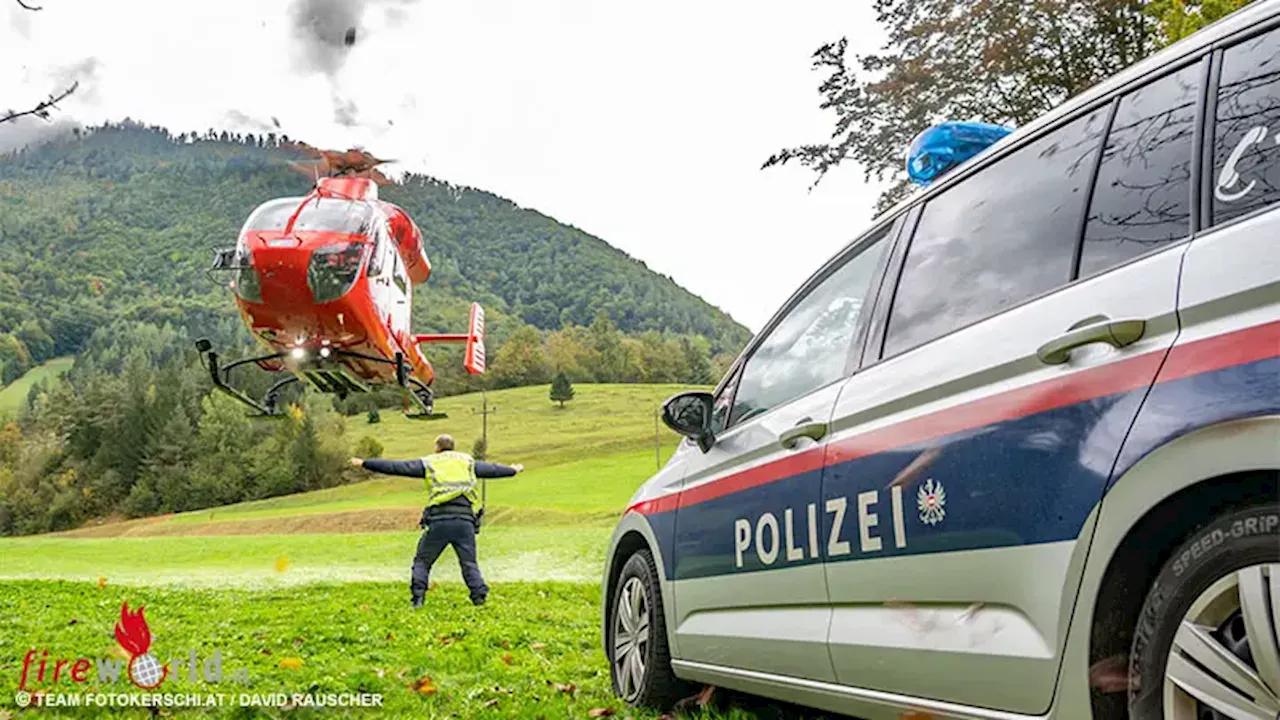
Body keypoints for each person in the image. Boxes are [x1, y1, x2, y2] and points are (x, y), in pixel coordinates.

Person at [350, 434, 523, 608]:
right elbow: (492, 470)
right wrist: (513, 470)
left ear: (437, 447)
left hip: (439, 521)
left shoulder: (430, 462)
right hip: (464, 522)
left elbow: (397, 467)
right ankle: (479, 598)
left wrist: (366, 463)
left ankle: (418, 599)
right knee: (469, 562)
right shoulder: (467, 462)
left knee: (422, 561)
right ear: (453, 447)